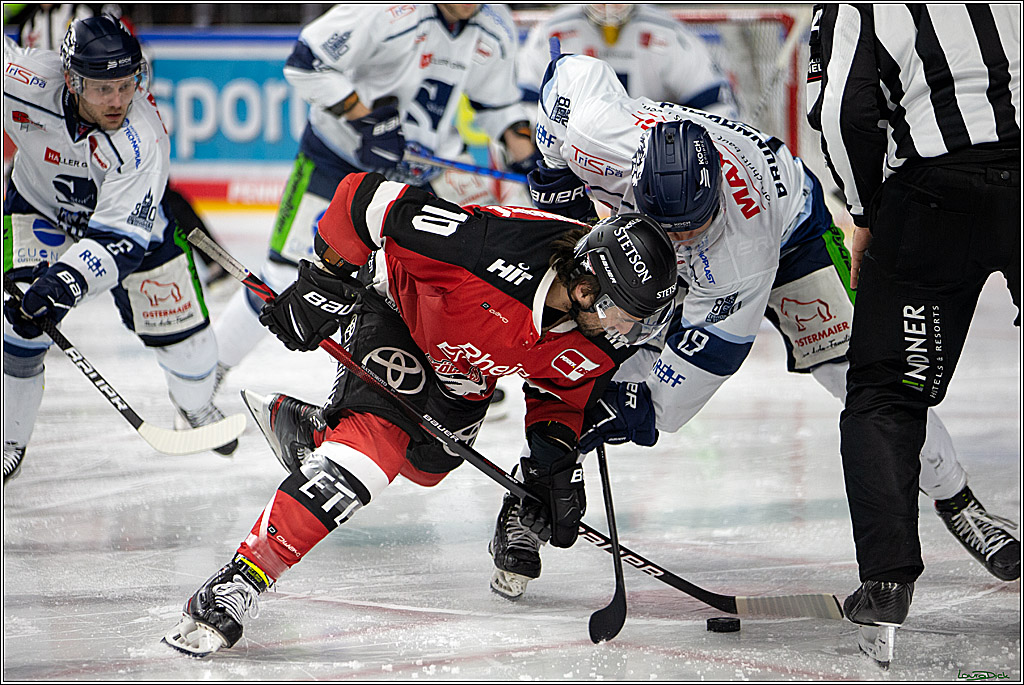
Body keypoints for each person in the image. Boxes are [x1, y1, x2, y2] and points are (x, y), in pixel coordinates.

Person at [487, 52, 1020, 601]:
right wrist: (556, 180)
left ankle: (957, 500)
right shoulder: (601, 133)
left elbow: (667, 401)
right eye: (666, 228)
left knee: (866, 374)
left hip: (791, 239)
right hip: (660, 243)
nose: (679, 244)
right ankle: (530, 494)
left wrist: (594, 414)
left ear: (714, 200)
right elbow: (569, 72)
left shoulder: (742, 255)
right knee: (580, 337)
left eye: (691, 231)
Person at [160, 170, 678, 657]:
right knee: (370, 458)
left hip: (467, 362)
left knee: (430, 466)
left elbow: (560, 391)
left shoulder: (597, 326)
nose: (625, 333)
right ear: (586, 288)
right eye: (624, 315)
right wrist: (323, 280)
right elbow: (361, 198)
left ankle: (316, 431)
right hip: (399, 312)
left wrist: (550, 461)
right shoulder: (483, 250)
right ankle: (241, 578)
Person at [806, 3, 1020, 664]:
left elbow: (843, 113)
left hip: (933, 196)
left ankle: (888, 580)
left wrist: (865, 211)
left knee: (884, 397)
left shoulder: (854, 7)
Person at [212, 3, 541, 387]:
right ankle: (210, 370)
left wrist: (534, 162)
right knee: (285, 276)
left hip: (421, 165)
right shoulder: (384, 10)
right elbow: (306, 60)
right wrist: (365, 117)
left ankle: (450, 374)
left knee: (455, 266)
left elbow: (497, 105)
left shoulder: (494, 24)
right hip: (337, 156)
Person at [2, 16, 237, 484]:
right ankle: (10, 439)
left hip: (136, 234)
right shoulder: (21, 79)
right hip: (40, 210)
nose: (118, 101)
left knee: (190, 352)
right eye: (102, 88)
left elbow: (120, 242)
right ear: (71, 81)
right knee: (20, 332)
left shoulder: (142, 139)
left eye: (127, 85)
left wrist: (63, 283)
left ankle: (193, 404)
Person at [8, 3, 232, 289]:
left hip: (109, 121)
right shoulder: (29, 21)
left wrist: (115, 93)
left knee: (158, 194)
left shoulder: (95, 11)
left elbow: (137, 56)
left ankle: (214, 259)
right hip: (60, 123)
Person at [518, 4, 738, 118]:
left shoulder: (667, 32)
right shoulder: (552, 31)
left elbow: (716, 105)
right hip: (573, 160)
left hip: (654, 163)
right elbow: (521, 105)